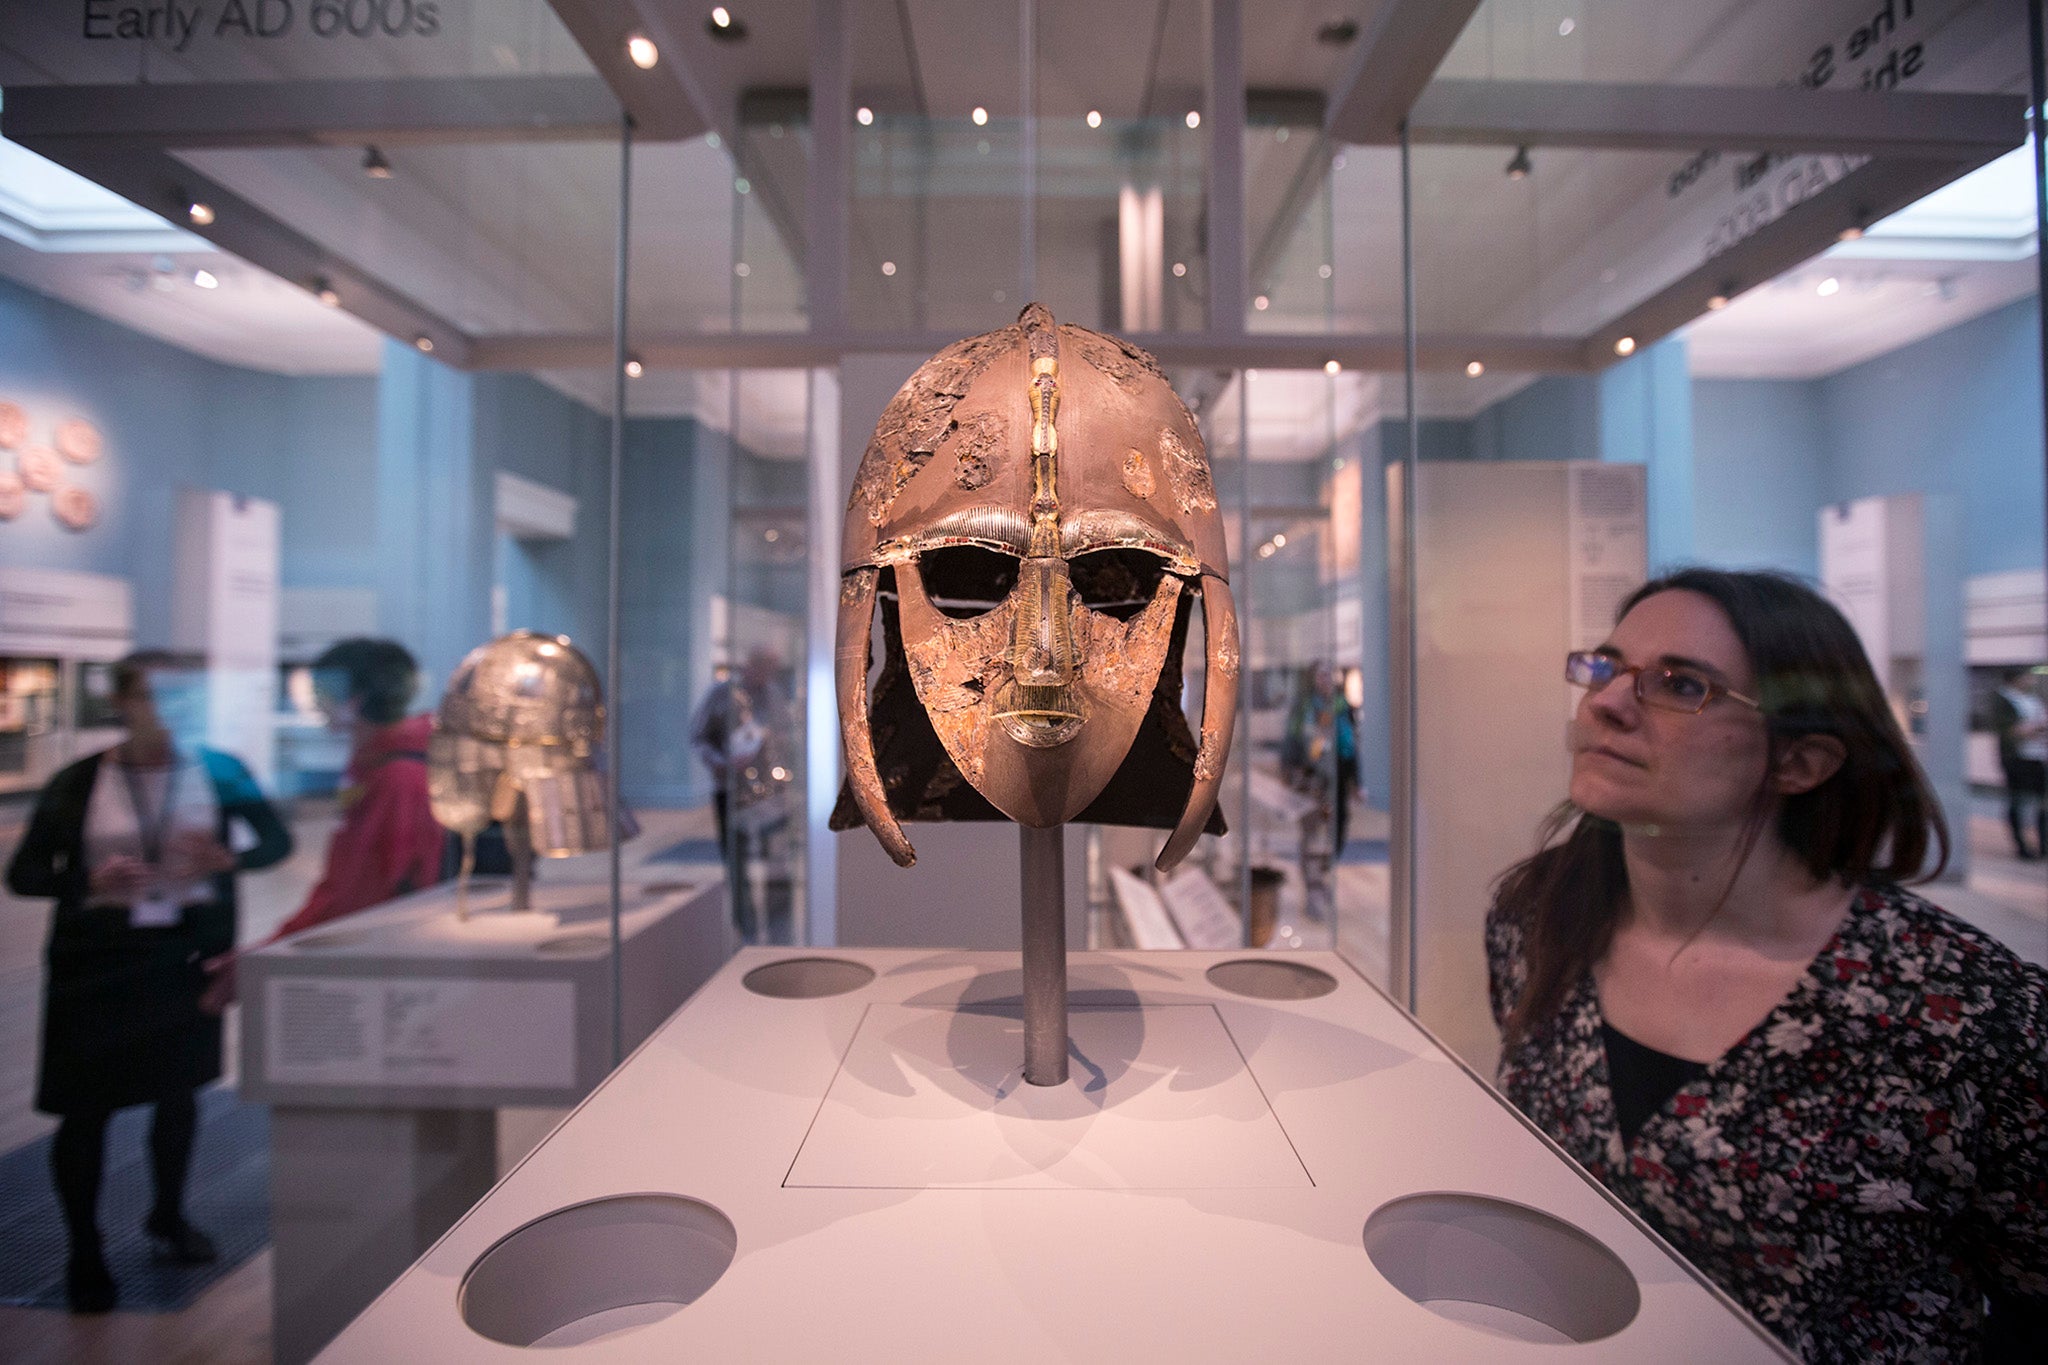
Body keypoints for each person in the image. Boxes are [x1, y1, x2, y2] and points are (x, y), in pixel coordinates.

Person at [1485, 568, 2045, 1362]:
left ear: (1801, 761)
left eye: (1680, 684)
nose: (1605, 702)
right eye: (1607, 667)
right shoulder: (1538, 919)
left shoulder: (1968, 1015)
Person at [6, 651, 290, 1313]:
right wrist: (88, 883)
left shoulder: (219, 772)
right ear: (124, 703)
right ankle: (84, 1246)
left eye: (186, 695)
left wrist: (229, 858)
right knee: (84, 1109)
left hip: (184, 953)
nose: (171, 710)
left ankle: (168, 1212)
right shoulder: (80, 782)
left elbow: (274, 844)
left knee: (180, 1092)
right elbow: (23, 874)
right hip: (96, 963)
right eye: (157, 696)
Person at [263, 638, 445, 942]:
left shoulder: (397, 775)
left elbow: (359, 889)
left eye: (324, 691)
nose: (317, 703)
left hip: (383, 945)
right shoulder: (377, 761)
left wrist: (281, 944)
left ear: (356, 699)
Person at [1988, 666, 2046, 859]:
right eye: (2028, 677)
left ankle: (2043, 844)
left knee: (2041, 801)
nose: (2031, 681)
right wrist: (2034, 728)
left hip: (2038, 756)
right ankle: (2022, 845)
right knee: (2019, 799)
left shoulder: (2032, 699)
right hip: (2017, 758)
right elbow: (2009, 731)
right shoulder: (2003, 699)